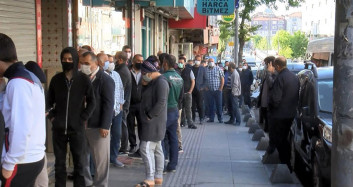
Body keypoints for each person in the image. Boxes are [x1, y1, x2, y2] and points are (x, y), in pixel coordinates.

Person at [0, 33, 45, 186]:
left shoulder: (17, 83)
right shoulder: (27, 76)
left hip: (21, 161)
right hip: (31, 157)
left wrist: (9, 163)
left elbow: (21, 127)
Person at [47, 47, 96, 187]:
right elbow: (48, 102)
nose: (67, 62)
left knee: (79, 165)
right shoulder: (56, 80)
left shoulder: (83, 80)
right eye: (64, 59)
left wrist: (83, 117)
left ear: (75, 60)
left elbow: (93, 101)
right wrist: (52, 118)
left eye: (70, 59)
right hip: (59, 130)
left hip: (77, 129)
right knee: (59, 165)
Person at [81, 51, 115, 187]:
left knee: (100, 161)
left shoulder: (105, 80)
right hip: (81, 125)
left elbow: (108, 104)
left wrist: (105, 126)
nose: (83, 66)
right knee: (82, 159)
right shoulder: (81, 78)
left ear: (96, 63)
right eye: (82, 63)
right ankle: (86, 183)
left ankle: (101, 184)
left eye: (87, 64)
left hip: (98, 126)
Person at [136, 60, 169, 187]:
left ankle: (150, 178)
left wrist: (149, 115)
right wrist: (144, 85)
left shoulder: (161, 82)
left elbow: (161, 102)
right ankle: (158, 177)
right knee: (157, 148)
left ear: (148, 72)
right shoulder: (153, 82)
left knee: (145, 148)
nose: (142, 76)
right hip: (154, 120)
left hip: (154, 121)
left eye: (143, 73)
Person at [268, 56, 299, 171]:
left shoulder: (281, 78)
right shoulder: (294, 77)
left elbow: (276, 98)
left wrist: (272, 108)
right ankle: (286, 163)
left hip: (279, 115)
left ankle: (285, 164)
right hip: (290, 114)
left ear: (277, 66)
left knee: (280, 140)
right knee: (285, 139)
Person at [98, 53, 125, 167]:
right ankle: (102, 160)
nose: (111, 64)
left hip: (117, 111)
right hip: (105, 111)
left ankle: (113, 157)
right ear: (102, 63)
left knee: (117, 134)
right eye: (108, 61)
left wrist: (121, 103)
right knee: (103, 137)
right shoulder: (100, 76)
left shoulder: (116, 74)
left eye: (112, 61)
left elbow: (121, 89)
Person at [162, 54, 183, 173]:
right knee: (173, 138)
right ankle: (173, 164)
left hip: (165, 110)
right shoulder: (179, 77)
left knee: (162, 139)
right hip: (175, 110)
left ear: (165, 63)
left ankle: (163, 164)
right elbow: (181, 97)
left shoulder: (163, 77)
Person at [114, 51, 132, 154]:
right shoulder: (121, 69)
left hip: (122, 103)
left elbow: (120, 89)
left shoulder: (123, 71)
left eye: (115, 58)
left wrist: (121, 104)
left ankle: (124, 147)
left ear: (120, 60)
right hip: (122, 102)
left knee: (122, 124)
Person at [127, 54, 144, 157]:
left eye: (142, 61)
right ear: (133, 62)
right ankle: (133, 144)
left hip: (141, 104)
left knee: (142, 125)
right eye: (138, 61)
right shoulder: (128, 72)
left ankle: (142, 146)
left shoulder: (144, 72)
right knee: (130, 125)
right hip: (130, 103)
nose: (140, 63)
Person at [177, 57, 197, 129]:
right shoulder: (176, 71)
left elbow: (193, 81)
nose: (180, 64)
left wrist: (190, 91)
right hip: (179, 94)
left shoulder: (189, 71)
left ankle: (190, 123)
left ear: (185, 63)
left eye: (181, 62)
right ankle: (182, 122)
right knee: (180, 109)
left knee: (188, 108)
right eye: (179, 62)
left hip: (187, 93)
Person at [258, 56, 276, 132]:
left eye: (266, 64)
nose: (265, 66)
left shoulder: (275, 75)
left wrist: (269, 73)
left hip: (269, 104)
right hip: (264, 104)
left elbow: (271, 84)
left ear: (270, 64)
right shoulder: (267, 74)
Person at [205, 58, 224, 123]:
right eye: (209, 61)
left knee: (219, 105)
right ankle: (211, 118)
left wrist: (220, 88)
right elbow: (204, 79)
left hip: (217, 90)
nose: (211, 62)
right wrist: (206, 87)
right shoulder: (206, 69)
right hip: (209, 90)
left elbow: (222, 79)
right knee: (211, 105)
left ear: (214, 62)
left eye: (212, 61)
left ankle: (220, 118)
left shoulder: (218, 69)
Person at [191, 55, 208, 124]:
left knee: (200, 105)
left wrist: (202, 87)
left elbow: (206, 79)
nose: (197, 61)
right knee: (192, 105)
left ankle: (201, 118)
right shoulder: (191, 68)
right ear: (194, 60)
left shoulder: (202, 69)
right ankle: (193, 118)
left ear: (200, 61)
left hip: (199, 89)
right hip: (192, 89)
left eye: (199, 60)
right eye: (196, 60)